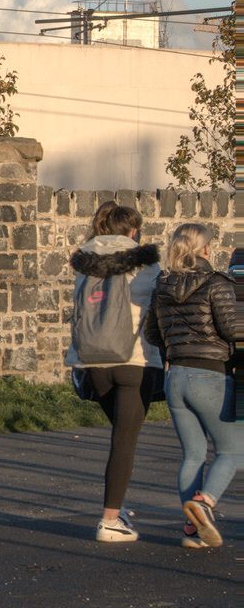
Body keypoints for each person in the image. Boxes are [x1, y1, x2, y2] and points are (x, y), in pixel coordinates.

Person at [63, 201, 161, 542]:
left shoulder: (83, 264)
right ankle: (110, 519)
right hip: (133, 361)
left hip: (93, 362)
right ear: (133, 230)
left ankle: (116, 504)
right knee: (124, 441)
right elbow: (155, 305)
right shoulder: (145, 263)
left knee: (120, 435)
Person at [144, 223, 241, 549]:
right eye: (209, 245)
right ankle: (204, 503)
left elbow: (152, 334)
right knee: (232, 449)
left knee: (193, 454)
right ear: (202, 249)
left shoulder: (163, 286)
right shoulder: (216, 282)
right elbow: (230, 329)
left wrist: (174, 351)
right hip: (210, 375)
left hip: (175, 378)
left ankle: (193, 528)